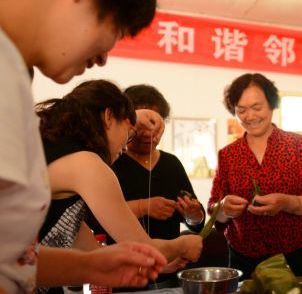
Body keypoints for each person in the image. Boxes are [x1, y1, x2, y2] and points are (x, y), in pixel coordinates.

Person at [0, 0, 167, 292]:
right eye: (116, 28)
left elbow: (8, 257)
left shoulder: (15, 71)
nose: (104, 58)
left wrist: (92, 265)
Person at [36, 80, 203, 293]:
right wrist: (183, 245)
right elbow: (146, 248)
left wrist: (156, 262)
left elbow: (95, 255)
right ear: (107, 117)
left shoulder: (56, 151)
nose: (125, 146)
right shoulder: (88, 165)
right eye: (129, 132)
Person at [207, 73, 302, 280]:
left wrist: (286, 202)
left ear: (271, 105)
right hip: (244, 257)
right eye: (241, 110)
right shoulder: (228, 154)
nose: (249, 116)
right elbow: (214, 207)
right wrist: (224, 207)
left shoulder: (298, 145)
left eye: (257, 108)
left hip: (294, 255)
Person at [111, 84, 206, 290]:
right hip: (122, 274)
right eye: (142, 125)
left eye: (156, 124)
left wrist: (193, 214)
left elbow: (195, 223)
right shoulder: (112, 162)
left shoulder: (171, 163)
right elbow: (98, 218)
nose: (149, 133)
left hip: (169, 272)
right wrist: (143, 206)